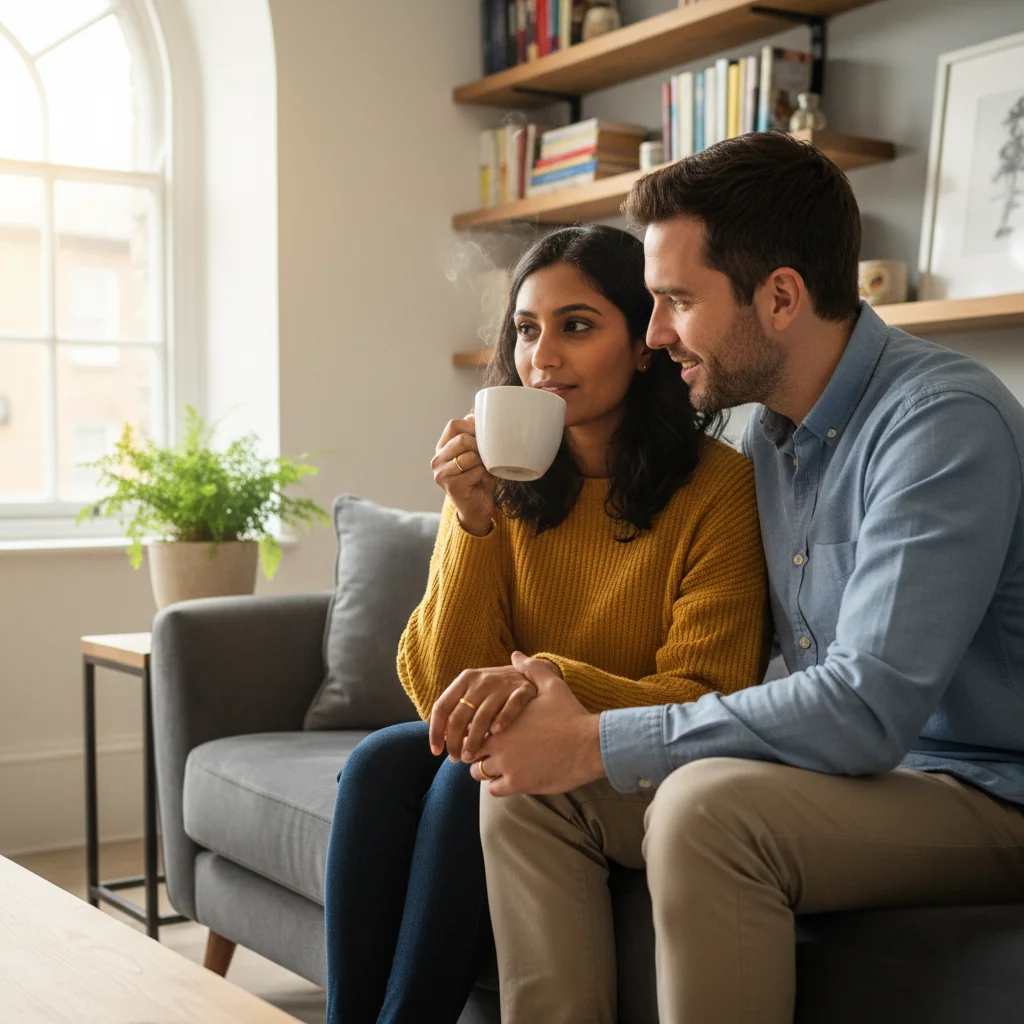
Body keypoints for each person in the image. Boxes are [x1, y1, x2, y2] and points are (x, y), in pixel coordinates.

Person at [470, 131, 1024, 1024]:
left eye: (676, 302)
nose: (655, 335)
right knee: (533, 791)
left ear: (779, 297)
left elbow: (866, 710)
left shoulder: (940, 425)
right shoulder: (764, 436)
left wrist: (601, 738)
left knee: (705, 809)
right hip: (857, 779)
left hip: (987, 789)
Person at [322, 223, 772, 1024]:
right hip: (520, 739)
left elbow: (711, 688)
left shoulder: (717, 488)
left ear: (642, 345)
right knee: (380, 765)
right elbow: (437, 695)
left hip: (643, 758)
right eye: (527, 330)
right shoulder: (501, 482)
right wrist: (471, 523)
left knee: (480, 769)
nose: (543, 356)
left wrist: (542, 683)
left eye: (577, 325)